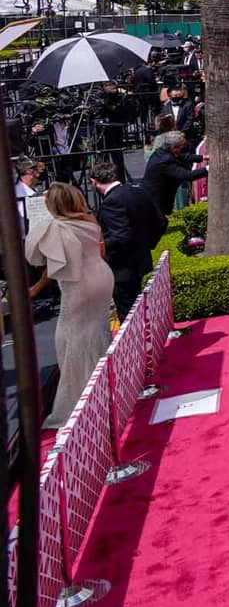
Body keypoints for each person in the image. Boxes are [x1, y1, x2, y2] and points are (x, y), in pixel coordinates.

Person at [25, 183, 114, 427]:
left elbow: (33, 257)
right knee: (96, 332)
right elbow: (101, 250)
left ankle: (80, 402)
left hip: (79, 285)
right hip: (101, 276)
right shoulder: (89, 219)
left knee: (69, 340)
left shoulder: (53, 228)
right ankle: (104, 389)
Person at [93, 161, 163, 321]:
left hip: (122, 268)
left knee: (128, 316)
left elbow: (121, 235)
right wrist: (147, 244)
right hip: (141, 261)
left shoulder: (111, 202)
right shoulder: (140, 192)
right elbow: (161, 222)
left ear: (94, 182)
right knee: (139, 310)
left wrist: (100, 248)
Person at [143, 131, 207, 213]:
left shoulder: (161, 152)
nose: (182, 149)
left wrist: (203, 157)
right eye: (181, 147)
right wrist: (208, 168)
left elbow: (183, 157)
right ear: (173, 147)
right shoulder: (165, 161)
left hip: (155, 197)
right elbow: (188, 175)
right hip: (155, 200)